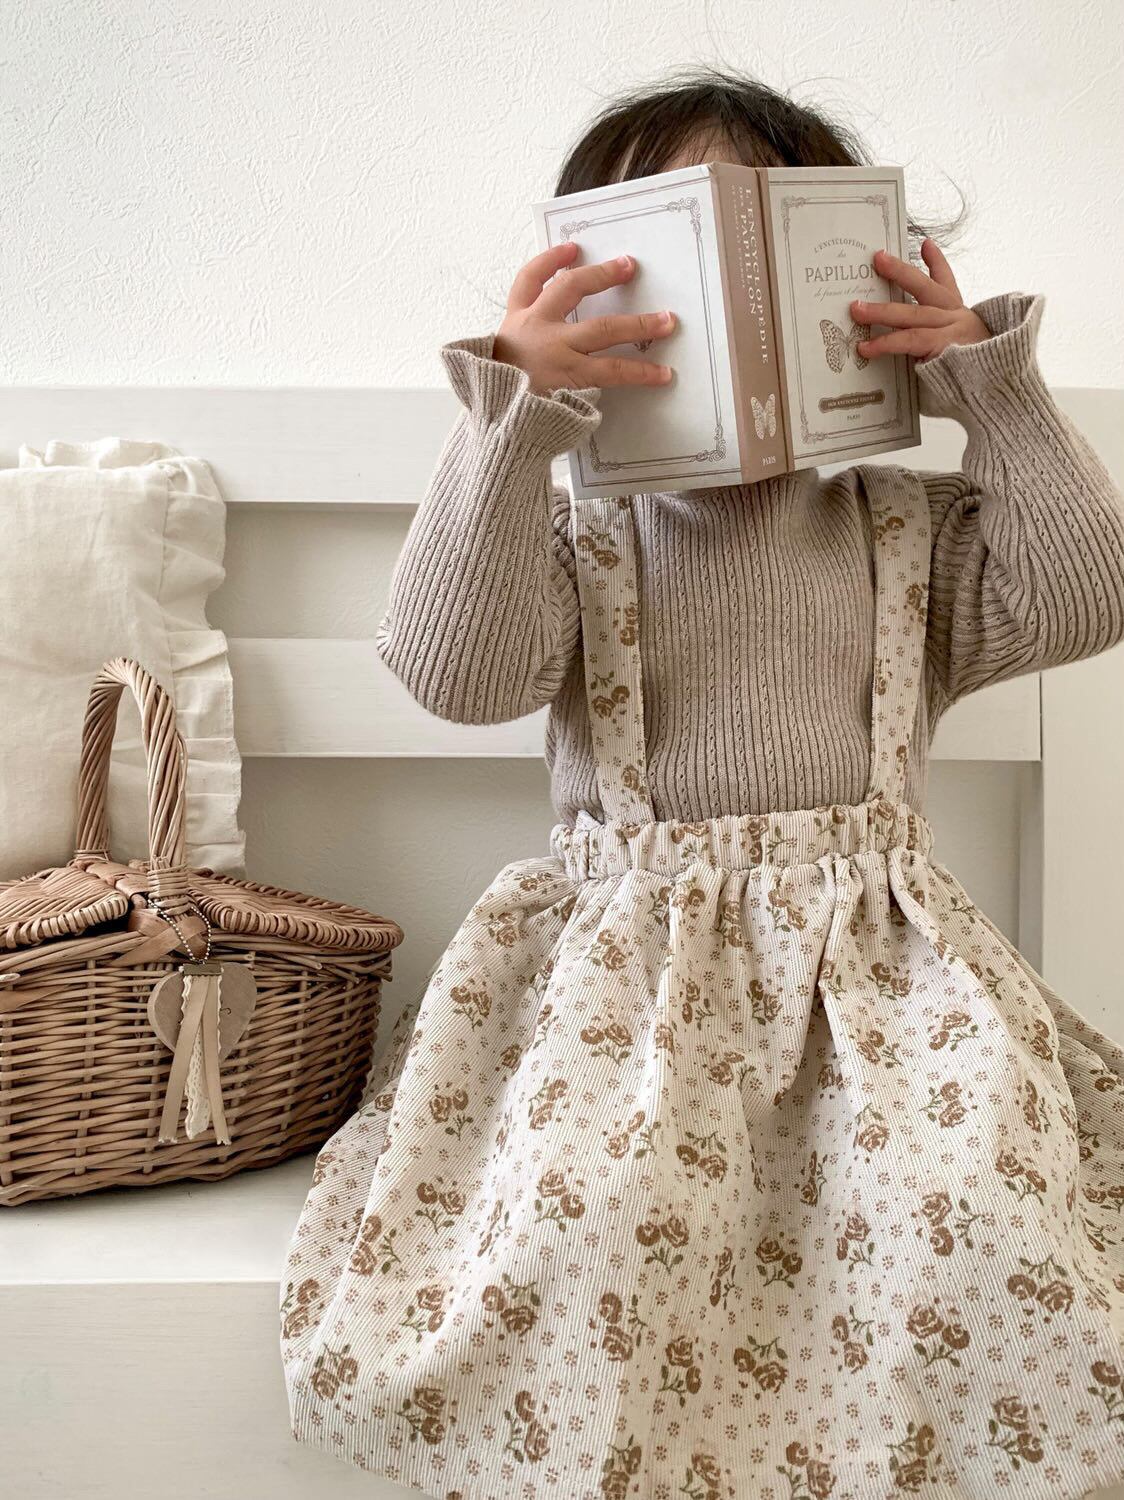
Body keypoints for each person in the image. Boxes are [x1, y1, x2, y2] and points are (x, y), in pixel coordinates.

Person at [281, 66, 1124, 1500]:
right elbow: (453, 670)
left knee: (967, 1202)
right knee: (595, 1210)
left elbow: (1086, 594)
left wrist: (992, 388)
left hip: (878, 998)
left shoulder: (898, 531)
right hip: (626, 1012)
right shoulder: (579, 539)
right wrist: (514, 417)